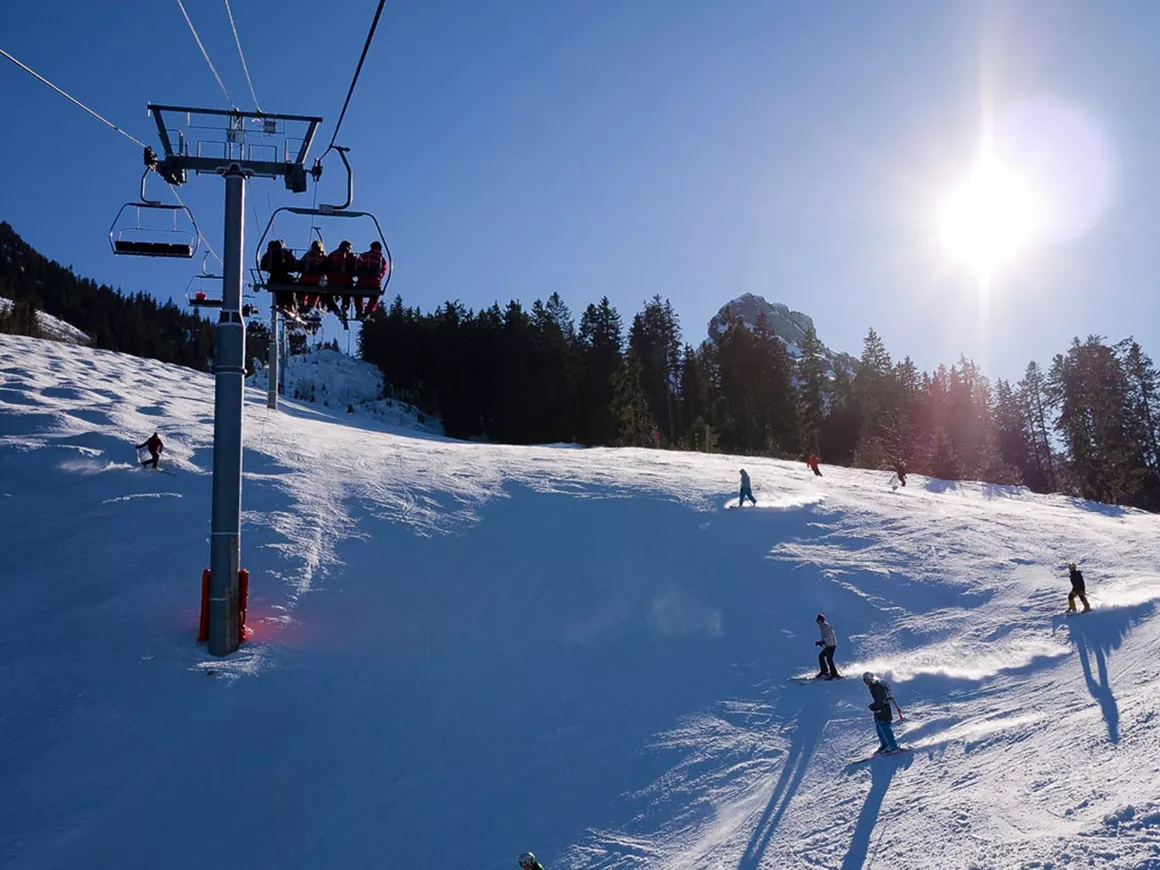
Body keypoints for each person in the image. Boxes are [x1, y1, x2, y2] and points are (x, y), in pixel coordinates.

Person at [862, 672, 900, 753]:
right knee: (879, 728)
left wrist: (873, 706)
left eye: (866, 680)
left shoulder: (877, 686)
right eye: (864, 680)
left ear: (870, 679)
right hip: (879, 709)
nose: (865, 682)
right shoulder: (872, 686)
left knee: (885, 727)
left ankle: (893, 746)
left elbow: (881, 699)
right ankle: (885, 745)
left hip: (884, 709)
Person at [326, 240, 359, 326]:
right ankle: (345, 307)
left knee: (327, 295)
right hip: (346, 281)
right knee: (347, 293)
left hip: (332, 282)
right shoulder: (351, 256)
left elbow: (325, 266)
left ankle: (335, 309)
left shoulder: (332, 255)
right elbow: (356, 267)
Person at [260, 240, 298, 313]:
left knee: (278, 290)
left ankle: (281, 304)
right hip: (284, 277)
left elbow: (262, 266)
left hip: (273, 277)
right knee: (291, 287)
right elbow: (293, 265)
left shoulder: (268, 254)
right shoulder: (285, 252)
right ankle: (290, 305)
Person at [354, 240, 388, 319]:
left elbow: (358, 265)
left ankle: (359, 310)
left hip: (362, 281)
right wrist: (379, 277)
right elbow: (383, 271)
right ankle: (367, 312)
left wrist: (358, 274)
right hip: (374, 283)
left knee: (358, 294)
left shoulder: (364, 255)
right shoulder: (381, 259)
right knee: (374, 297)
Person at [297, 240, 328, 313]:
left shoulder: (308, 255)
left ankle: (301, 303)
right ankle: (310, 305)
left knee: (302, 291)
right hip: (316, 280)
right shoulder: (323, 257)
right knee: (315, 293)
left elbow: (300, 265)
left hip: (305, 278)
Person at [815, 613, 840, 679]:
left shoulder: (826, 627)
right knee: (822, 657)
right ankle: (825, 671)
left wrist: (822, 641)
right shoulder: (822, 627)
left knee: (828, 658)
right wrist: (821, 642)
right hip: (828, 645)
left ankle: (833, 673)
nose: (818, 622)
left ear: (821, 620)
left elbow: (829, 637)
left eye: (819, 621)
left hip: (831, 645)